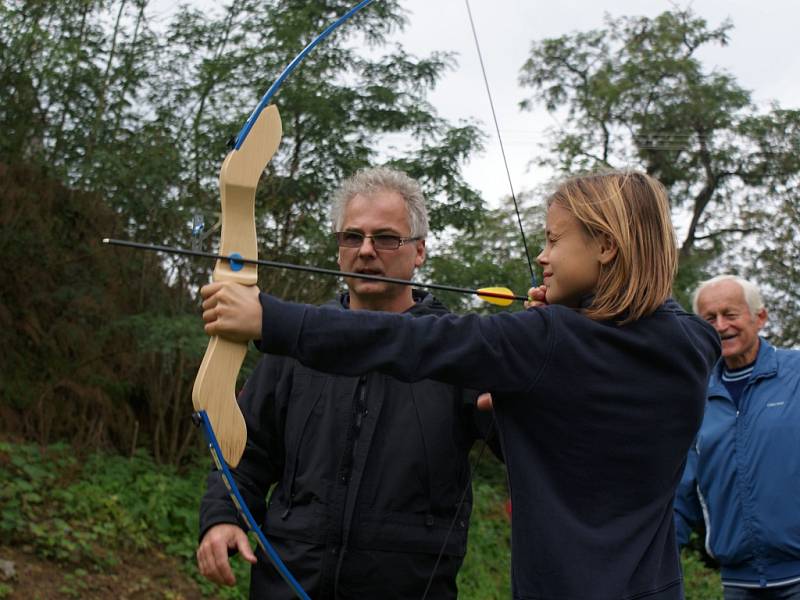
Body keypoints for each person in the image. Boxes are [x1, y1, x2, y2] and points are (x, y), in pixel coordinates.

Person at [200, 170, 721, 599]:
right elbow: (250, 446)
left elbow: (417, 344)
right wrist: (579, 318)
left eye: (553, 240)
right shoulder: (694, 343)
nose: (541, 257)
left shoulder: (544, 340)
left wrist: (268, 318)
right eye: (351, 237)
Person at [196, 167, 498, 600]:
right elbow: (247, 451)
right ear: (339, 250)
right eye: (352, 237)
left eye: (387, 238)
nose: (367, 251)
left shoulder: (457, 349)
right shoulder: (295, 341)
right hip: (290, 579)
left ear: (419, 252)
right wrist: (223, 517)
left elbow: (522, 449)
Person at [674, 275, 800, 599]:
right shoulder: (695, 398)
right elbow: (682, 494)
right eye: (709, 318)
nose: (720, 326)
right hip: (738, 584)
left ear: (760, 317)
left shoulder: (796, 374)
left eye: (730, 314)